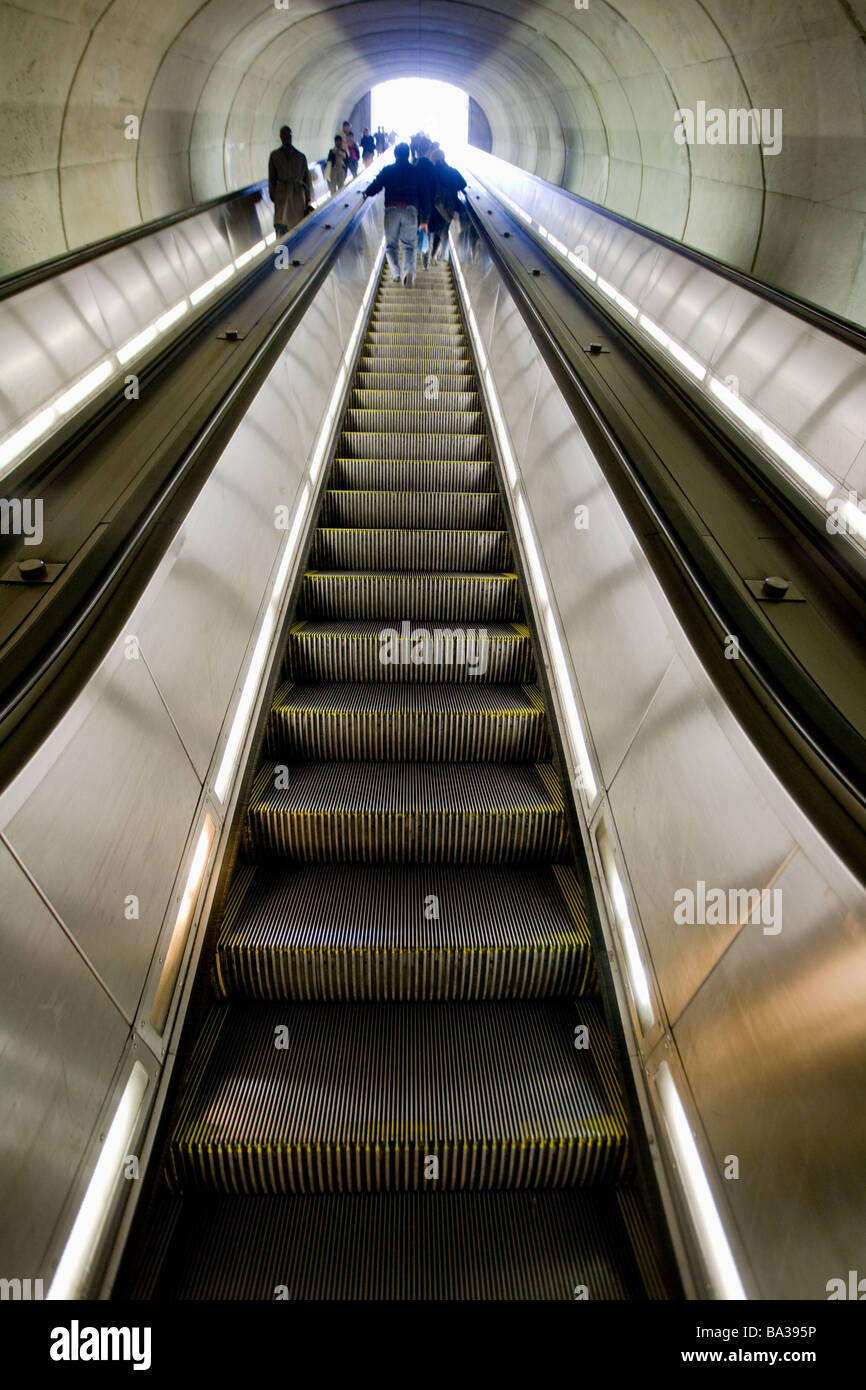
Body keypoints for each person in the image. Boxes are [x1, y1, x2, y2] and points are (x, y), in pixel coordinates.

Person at [363, 141, 431, 287]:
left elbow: (376, 185)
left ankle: (395, 274)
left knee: (391, 245)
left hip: (391, 210)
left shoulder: (388, 170)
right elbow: (425, 196)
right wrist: (424, 219)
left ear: (395, 155)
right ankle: (408, 273)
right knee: (408, 245)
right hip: (410, 210)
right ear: (408, 154)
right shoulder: (417, 172)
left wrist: (364, 193)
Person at [268, 125, 313, 235]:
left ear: (291, 137)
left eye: (288, 136)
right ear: (280, 137)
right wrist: (273, 194)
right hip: (282, 194)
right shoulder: (274, 156)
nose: (286, 138)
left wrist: (308, 196)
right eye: (284, 136)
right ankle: (283, 249)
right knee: (282, 224)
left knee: (298, 224)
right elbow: (272, 178)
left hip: (298, 194)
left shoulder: (301, 156)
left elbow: (307, 178)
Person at [429, 148, 467, 263]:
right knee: (445, 230)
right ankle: (443, 257)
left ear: (434, 159)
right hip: (450, 207)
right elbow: (463, 183)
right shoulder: (452, 171)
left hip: (434, 207)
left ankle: (432, 254)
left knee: (434, 230)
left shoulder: (432, 172)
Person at [413, 136, 437, 269]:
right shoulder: (432, 168)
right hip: (431, 208)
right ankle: (426, 263)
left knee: (419, 235)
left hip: (415, 208)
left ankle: (415, 264)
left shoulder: (414, 166)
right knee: (427, 235)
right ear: (429, 151)